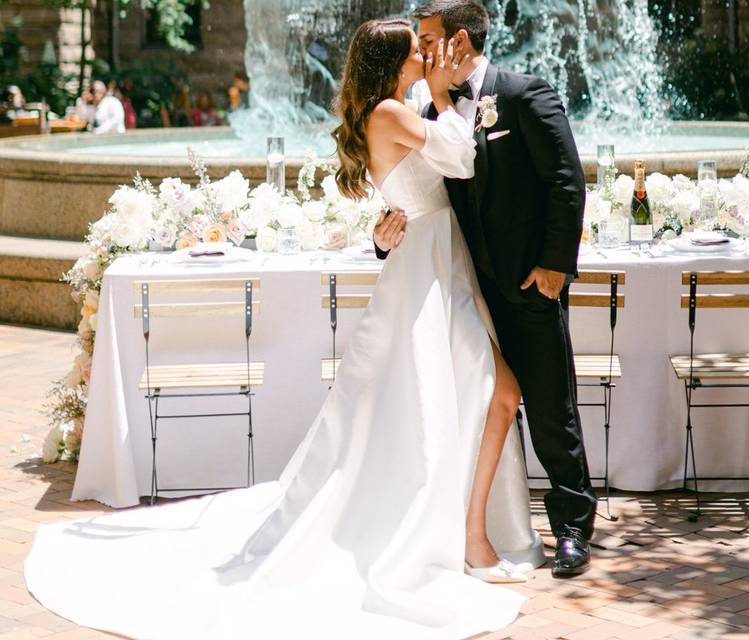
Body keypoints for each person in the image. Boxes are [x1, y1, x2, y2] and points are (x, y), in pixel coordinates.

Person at [24, 19, 543, 640]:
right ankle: (469, 536)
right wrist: (438, 91)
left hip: (440, 268)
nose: (424, 55)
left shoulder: (398, 110)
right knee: (488, 395)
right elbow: (459, 156)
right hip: (424, 282)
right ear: (392, 62)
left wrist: (426, 122)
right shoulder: (390, 112)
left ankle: (466, 527)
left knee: (478, 398)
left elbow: (430, 181)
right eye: (414, 51)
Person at [377, 0, 595, 577]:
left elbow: (566, 181)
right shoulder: (424, 105)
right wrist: (383, 239)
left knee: (550, 406)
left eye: (428, 39)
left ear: (462, 41)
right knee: (481, 407)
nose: (421, 51)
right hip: (462, 288)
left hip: (526, 283)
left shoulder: (523, 94)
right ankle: (491, 526)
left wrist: (554, 265)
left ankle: (573, 528)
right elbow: (416, 194)